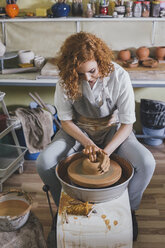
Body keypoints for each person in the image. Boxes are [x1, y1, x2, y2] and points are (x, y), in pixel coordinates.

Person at [36, 32, 155, 241]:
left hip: (114, 130)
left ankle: (131, 208)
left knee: (146, 162)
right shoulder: (66, 77)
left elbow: (128, 123)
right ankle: (62, 208)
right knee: (44, 162)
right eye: (80, 74)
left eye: (91, 71)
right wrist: (88, 143)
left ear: (100, 60)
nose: (87, 78)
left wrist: (106, 152)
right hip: (77, 131)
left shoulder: (119, 75)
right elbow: (65, 121)